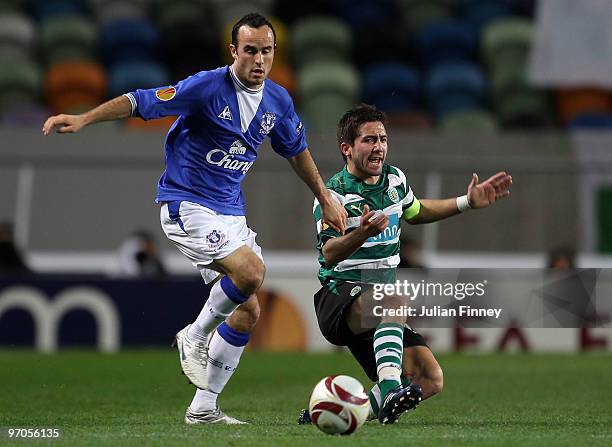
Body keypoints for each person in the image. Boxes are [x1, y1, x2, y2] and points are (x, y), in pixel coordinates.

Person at [42, 13, 347, 425]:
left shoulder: (278, 100)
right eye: (251, 50)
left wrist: (325, 196)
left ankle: (203, 409)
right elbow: (141, 101)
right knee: (251, 272)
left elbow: (295, 149)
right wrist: (84, 118)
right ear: (233, 51)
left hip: (230, 212)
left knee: (248, 311)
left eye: (267, 51)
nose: (259, 60)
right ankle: (196, 334)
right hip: (186, 204)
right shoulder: (206, 87)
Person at [308, 104, 512, 424]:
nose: (379, 147)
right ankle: (390, 387)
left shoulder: (394, 180)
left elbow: (416, 212)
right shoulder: (333, 195)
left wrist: (467, 202)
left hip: (379, 306)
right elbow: (329, 253)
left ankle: (338, 413)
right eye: (369, 140)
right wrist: (360, 233)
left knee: (429, 378)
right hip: (339, 298)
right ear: (346, 148)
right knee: (393, 300)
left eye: (383, 139)